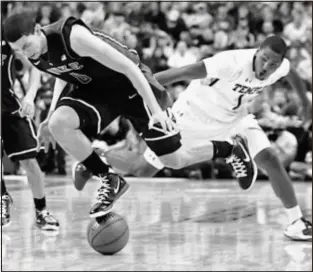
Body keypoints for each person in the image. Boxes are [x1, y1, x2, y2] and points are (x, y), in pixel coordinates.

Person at [4, 12, 257, 217]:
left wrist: (155, 110)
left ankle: (230, 148)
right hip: (97, 90)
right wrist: (49, 115)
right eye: (19, 51)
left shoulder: (73, 36)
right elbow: (61, 72)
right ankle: (109, 178)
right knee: (59, 124)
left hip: (133, 86)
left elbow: (129, 67)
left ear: (38, 29)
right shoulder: (35, 52)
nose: (25, 54)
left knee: (174, 160)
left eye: (26, 46)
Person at [152, 35, 312, 241]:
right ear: (257, 51)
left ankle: (297, 222)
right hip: (195, 114)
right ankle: (103, 164)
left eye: (273, 64)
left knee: (270, 159)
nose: (266, 66)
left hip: (235, 119)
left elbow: (293, 75)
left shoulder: (280, 67)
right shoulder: (231, 62)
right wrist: (136, 84)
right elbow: (181, 73)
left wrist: (305, 104)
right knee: (146, 167)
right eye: (264, 59)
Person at [1, 33, 59, 230]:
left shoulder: (7, 41)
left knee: (30, 161)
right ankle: (2, 197)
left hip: (9, 108)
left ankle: (41, 211)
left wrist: (30, 96)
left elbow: (35, 67)